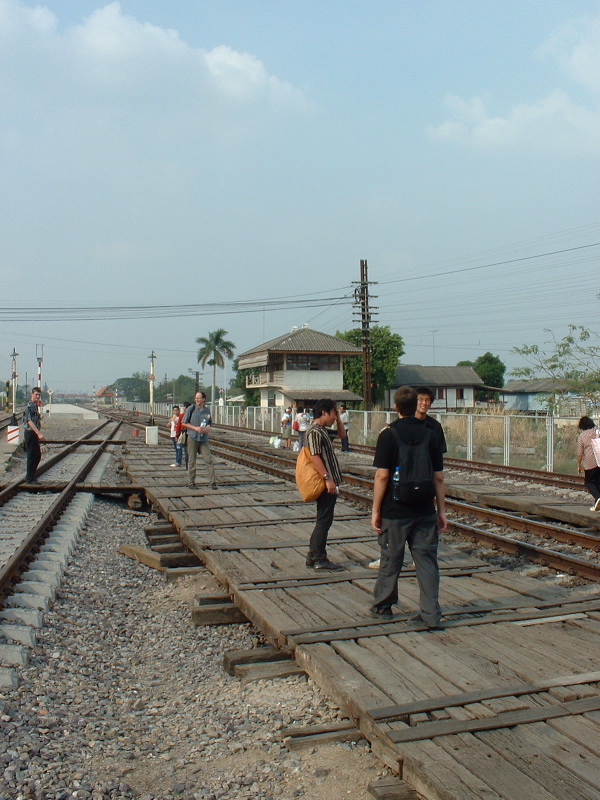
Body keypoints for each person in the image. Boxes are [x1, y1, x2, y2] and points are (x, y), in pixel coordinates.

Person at [370, 386, 447, 624]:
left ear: (395, 407)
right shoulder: (431, 434)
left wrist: (375, 510)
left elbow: (382, 476)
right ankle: (430, 614)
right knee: (426, 561)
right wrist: (441, 511)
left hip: (395, 509)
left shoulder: (388, 435)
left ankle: (383, 606)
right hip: (425, 509)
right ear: (416, 405)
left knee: (391, 558)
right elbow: (439, 477)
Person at [305, 399, 346, 571]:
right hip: (325, 482)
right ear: (324, 413)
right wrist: (327, 478)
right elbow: (315, 457)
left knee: (324, 520)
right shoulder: (315, 431)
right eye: (333, 413)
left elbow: (342, 435)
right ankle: (319, 558)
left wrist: (338, 419)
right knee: (323, 521)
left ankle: (313, 556)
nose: (335, 416)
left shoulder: (322, 431)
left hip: (329, 481)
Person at [182, 392, 217, 490]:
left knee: (208, 460)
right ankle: (191, 482)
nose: (197, 400)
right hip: (193, 437)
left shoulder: (207, 410)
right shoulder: (191, 409)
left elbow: (209, 422)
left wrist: (208, 428)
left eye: (199, 398)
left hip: (203, 439)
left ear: (204, 399)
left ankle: (213, 482)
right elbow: (184, 423)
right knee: (192, 461)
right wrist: (195, 428)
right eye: (196, 398)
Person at [577, 416, 600, 512]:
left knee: (589, 482)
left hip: (590, 463)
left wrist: (578, 465)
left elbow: (580, 453)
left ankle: (598, 498)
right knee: (598, 483)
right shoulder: (598, 432)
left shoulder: (582, 436)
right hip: (599, 460)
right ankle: (597, 504)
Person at [415, 387, 447, 454]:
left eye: (427, 400)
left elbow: (440, 452)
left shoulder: (436, 426)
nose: (424, 403)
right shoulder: (407, 424)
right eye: (420, 399)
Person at [23, 387, 44, 483]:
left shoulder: (35, 406)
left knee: (37, 456)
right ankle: (29, 478)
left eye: (39, 395)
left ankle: (31, 476)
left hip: (34, 433)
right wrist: (38, 433)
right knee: (32, 456)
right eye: (36, 394)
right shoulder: (29, 406)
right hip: (31, 433)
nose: (38, 396)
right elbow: (29, 421)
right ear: (32, 394)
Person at [175, 402, 191, 469]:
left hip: (184, 434)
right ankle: (188, 465)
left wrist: (177, 435)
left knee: (183, 449)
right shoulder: (192, 415)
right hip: (191, 434)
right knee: (188, 451)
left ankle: (182, 462)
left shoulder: (182, 415)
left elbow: (178, 426)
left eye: (184, 407)